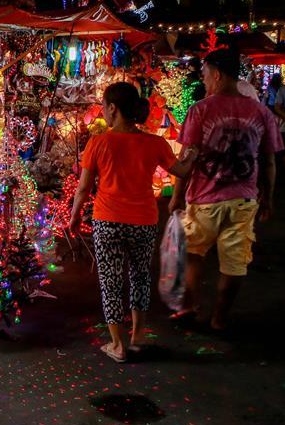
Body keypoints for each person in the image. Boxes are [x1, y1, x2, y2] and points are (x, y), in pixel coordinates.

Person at [69, 82, 196, 363]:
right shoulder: (155, 143)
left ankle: (117, 345)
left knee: (110, 282)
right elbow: (182, 170)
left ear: (112, 109)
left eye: (104, 106)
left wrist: (75, 216)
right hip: (144, 221)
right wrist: (195, 152)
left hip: (108, 221)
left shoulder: (98, 142)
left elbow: (84, 188)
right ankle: (137, 336)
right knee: (140, 277)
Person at [169, 48, 283, 330]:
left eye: (205, 75)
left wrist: (176, 197)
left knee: (194, 254)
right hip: (244, 198)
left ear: (217, 74)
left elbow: (187, 157)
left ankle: (190, 307)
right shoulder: (260, 112)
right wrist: (268, 197)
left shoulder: (201, 110)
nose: (204, 80)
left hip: (204, 198)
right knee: (234, 263)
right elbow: (269, 160)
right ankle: (220, 318)